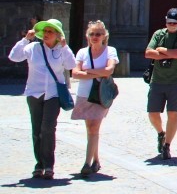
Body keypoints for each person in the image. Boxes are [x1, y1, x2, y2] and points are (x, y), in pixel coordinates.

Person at [7, 18, 76, 180]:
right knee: (37, 131)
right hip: (34, 93)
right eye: (45, 31)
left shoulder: (61, 50)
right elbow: (14, 57)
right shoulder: (32, 48)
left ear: (58, 35)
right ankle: (39, 164)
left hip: (53, 95)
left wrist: (65, 47)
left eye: (50, 31)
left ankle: (48, 165)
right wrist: (25, 39)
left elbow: (71, 65)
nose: (46, 34)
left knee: (48, 129)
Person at [71, 20, 119, 177]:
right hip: (85, 94)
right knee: (90, 129)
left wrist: (88, 72)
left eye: (98, 34)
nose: (95, 36)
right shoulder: (82, 52)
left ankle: (87, 163)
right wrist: (99, 72)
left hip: (100, 95)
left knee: (93, 128)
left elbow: (109, 70)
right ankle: (96, 159)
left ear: (104, 35)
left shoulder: (110, 51)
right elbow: (75, 73)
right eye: (92, 34)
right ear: (87, 36)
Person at [145, 7, 177, 160]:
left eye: (175, 22)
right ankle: (161, 133)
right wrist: (172, 53)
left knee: (173, 113)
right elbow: (148, 53)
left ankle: (167, 146)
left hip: (176, 81)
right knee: (152, 113)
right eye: (169, 22)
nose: (171, 25)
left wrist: (162, 50)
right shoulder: (158, 34)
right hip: (158, 79)